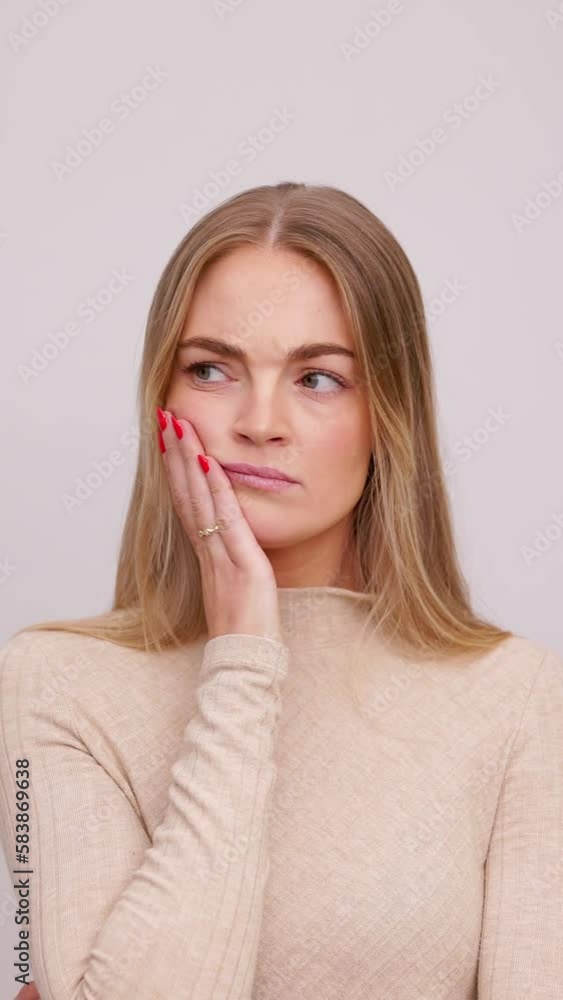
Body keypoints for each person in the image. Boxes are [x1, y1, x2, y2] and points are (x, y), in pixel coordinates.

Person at [1, 181, 562, 999]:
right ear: (163, 397)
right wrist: (243, 659)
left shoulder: (517, 699)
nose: (259, 421)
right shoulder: (54, 681)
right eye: (211, 369)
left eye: (319, 379)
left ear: (388, 416)